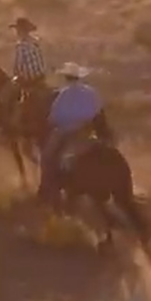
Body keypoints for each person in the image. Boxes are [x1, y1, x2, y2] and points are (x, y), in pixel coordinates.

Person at [37, 63, 104, 202]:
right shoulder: (91, 92)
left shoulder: (63, 94)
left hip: (67, 132)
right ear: (79, 77)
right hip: (87, 131)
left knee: (47, 156)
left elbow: (53, 117)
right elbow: (98, 111)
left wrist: (52, 121)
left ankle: (49, 189)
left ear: (67, 77)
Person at [3, 17, 49, 134]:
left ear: (21, 31)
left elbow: (18, 67)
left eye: (18, 30)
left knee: (7, 96)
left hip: (29, 81)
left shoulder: (21, 46)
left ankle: (11, 127)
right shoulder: (36, 42)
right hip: (41, 78)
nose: (17, 32)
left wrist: (16, 77)